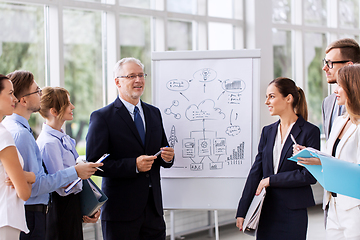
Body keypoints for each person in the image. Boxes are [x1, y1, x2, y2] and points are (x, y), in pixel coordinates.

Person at [2, 70, 102, 240]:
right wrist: (75, 172)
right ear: (24, 100)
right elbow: (34, 187)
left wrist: (30, 176)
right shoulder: (21, 134)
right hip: (31, 215)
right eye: (37, 90)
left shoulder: (18, 130)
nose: (41, 94)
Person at [86, 57, 175, 240]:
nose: (139, 80)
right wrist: (133, 165)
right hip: (121, 213)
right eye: (132, 76)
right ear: (118, 81)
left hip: (153, 211)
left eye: (141, 75)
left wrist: (168, 157)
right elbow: (95, 164)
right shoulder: (102, 117)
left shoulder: (154, 113)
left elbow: (163, 149)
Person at [235, 77, 320, 240]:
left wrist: (271, 180)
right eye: (267, 97)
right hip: (266, 210)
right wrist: (242, 210)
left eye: (271, 96)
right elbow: (256, 172)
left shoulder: (309, 132)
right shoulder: (267, 132)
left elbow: (308, 175)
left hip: (293, 211)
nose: (267, 102)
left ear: (288, 98)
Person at [297, 64, 360, 240]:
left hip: (355, 207)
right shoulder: (340, 121)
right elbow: (333, 158)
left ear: (353, 88)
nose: (335, 91)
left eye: (340, 86)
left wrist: (322, 161)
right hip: (333, 203)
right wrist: (313, 156)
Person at [36, 87, 101, 240]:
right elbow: (61, 186)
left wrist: (88, 207)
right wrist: (80, 171)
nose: (72, 107)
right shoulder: (49, 143)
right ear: (53, 111)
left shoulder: (62, 137)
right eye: (67, 103)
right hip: (60, 211)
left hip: (70, 208)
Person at [0, 74, 35, 239]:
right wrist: (31, 176)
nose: (15, 98)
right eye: (10, 93)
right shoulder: (3, 135)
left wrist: (24, 176)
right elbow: (24, 193)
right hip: (6, 219)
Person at [322, 38, 360, 140]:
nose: (324, 68)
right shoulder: (327, 102)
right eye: (325, 62)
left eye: (330, 63)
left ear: (348, 66)